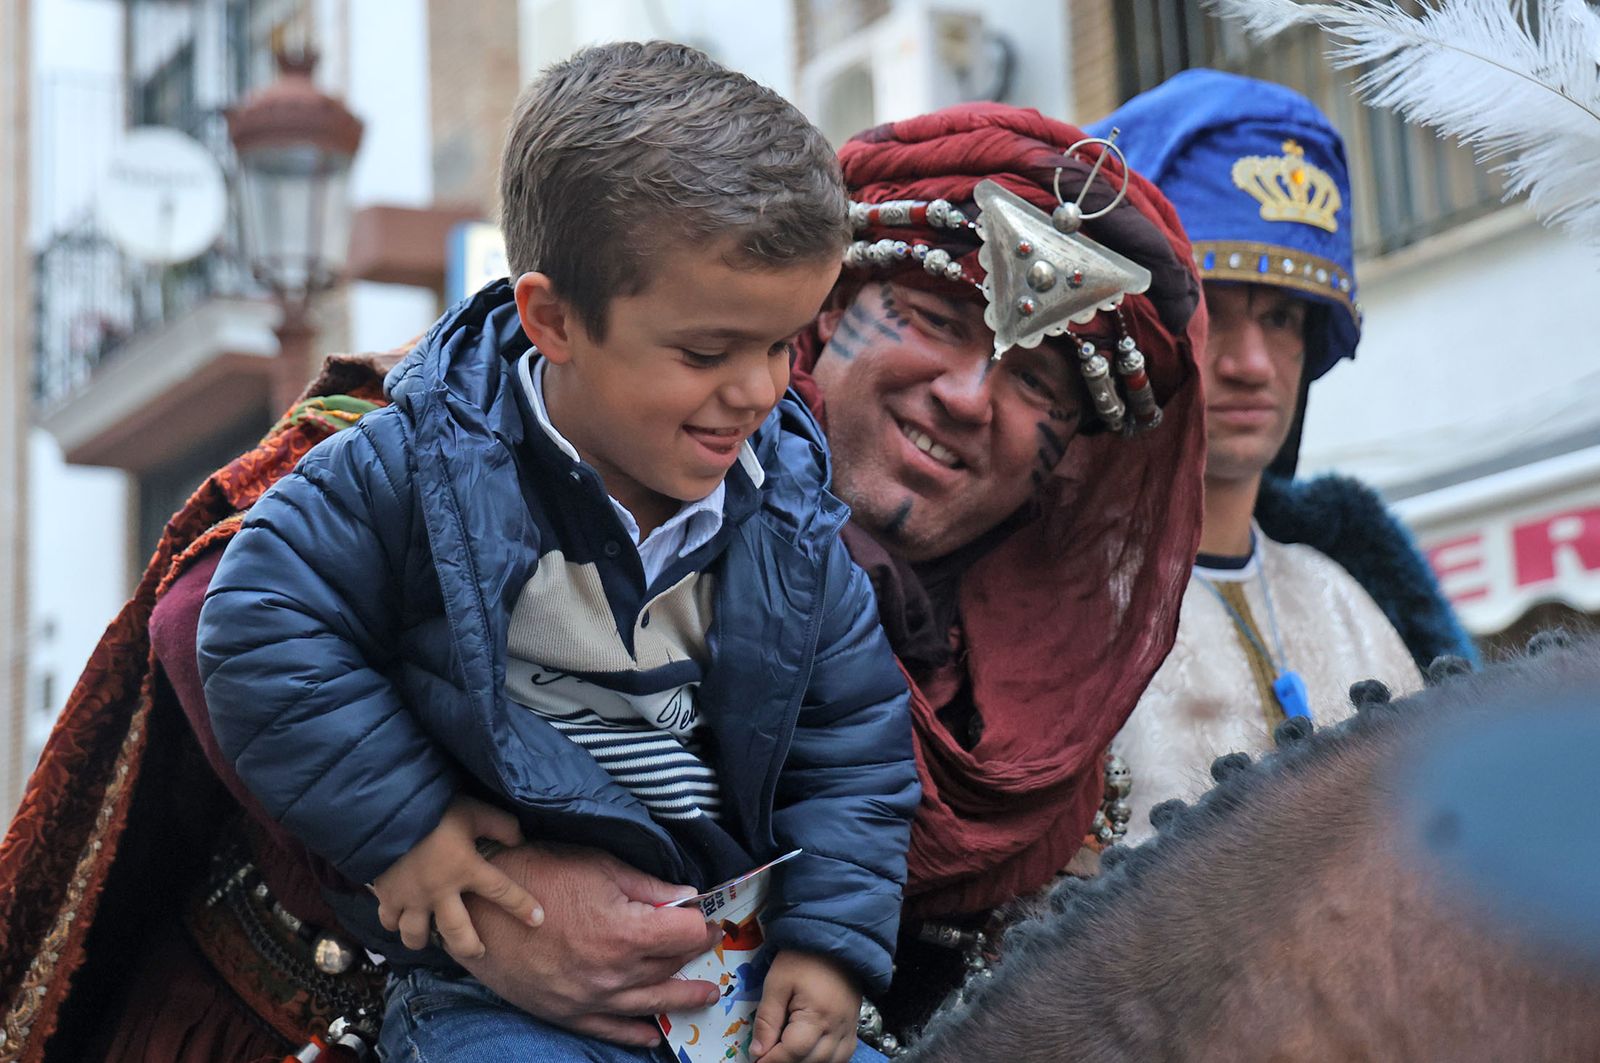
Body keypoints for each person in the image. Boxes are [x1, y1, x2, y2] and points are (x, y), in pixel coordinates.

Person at [0, 100, 1208, 1060]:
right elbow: (222, 618)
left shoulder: (1041, 728)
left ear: (1066, 461)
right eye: (934, 322)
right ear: (824, 312)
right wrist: (489, 897)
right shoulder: (484, 426)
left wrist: (829, 955)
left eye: (1036, 388)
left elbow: (859, 777)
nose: (967, 395)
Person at [195, 41, 919, 1063]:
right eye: (706, 351)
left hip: (729, 991)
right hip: (487, 1001)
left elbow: (855, 742)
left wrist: (831, 943)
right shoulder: (415, 467)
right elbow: (260, 622)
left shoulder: (790, 517)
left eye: (781, 345)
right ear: (553, 319)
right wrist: (410, 829)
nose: (758, 391)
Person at [1086, 70, 1477, 843]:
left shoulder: (1346, 601)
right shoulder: (1053, 605)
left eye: (1282, 318)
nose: (1252, 364)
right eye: (1210, 313)